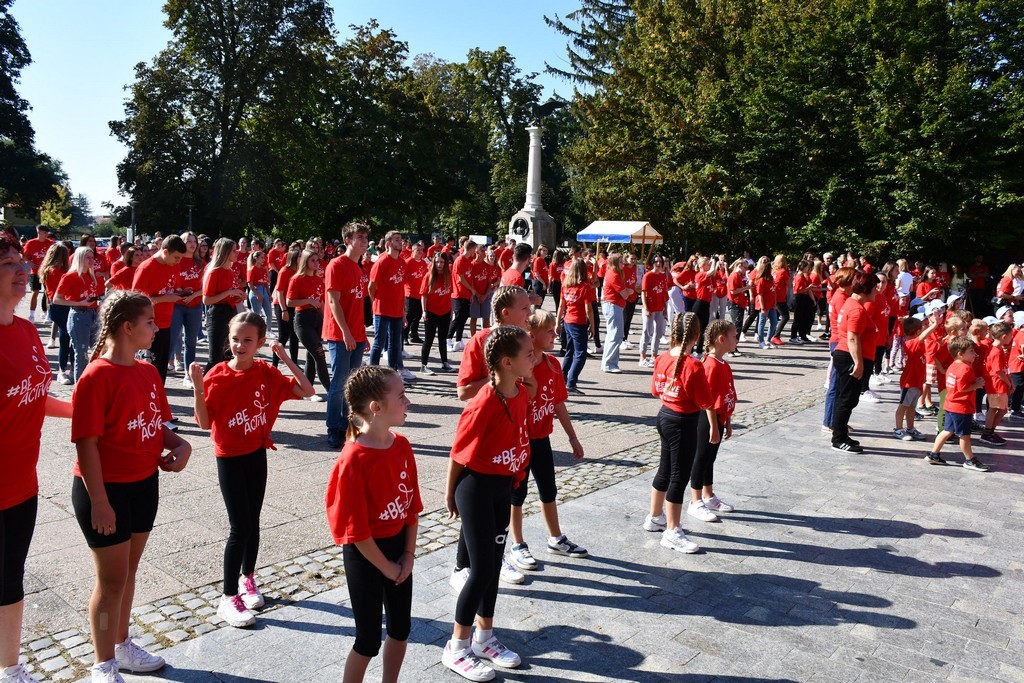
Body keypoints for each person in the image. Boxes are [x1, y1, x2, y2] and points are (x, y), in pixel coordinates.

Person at [71, 291, 192, 683]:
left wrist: (181, 444)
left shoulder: (147, 372)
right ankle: (102, 665)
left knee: (129, 571)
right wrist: (100, 502)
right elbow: (86, 443)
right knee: (110, 582)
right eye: (149, 323)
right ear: (127, 327)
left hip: (144, 483)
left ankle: (121, 645)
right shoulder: (96, 376)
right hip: (105, 491)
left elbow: (154, 423)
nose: (157, 329)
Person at [190, 312, 313, 628]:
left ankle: (248, 579)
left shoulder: (265, 373)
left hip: (257, 453)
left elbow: (307, 390)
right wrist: (197, 388)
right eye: (234, 339)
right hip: (229, 457)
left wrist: (284, 356)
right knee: (239, 527)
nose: (239, 345)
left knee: (254, 522)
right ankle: (227, 596)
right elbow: (204, 423)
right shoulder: (217, 376)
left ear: (260, 343)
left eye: (247, 340)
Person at [0, 230, 73, 683]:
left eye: (21, 262)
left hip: (22, 484)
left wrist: (86, 414)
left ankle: (10, 667)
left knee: (10, 579)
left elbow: (34, 397)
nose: (22, 270)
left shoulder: (27, 329)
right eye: (7, 265)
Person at [442, 325, 533, 682]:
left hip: (500, 487)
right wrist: (450, 494)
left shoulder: (521, 393)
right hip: (475, 488)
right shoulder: (483, 402)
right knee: (479, 570)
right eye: (528, 354)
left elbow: (518, 436)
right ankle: (457, 647)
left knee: (494, 565)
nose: (535, 358)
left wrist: (517, 472)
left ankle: (484, 637)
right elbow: (459, 454)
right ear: (507, 362)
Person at [325, 367, 421, 683]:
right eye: (401, 396)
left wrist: (407, 556)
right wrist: (388, 568)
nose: (408, 402)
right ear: (376, 408)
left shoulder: (403, 446)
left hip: (398, 553)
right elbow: (356, 532)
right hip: (366, 557)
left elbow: (411, 509)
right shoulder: (353, 459)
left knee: (401, 629)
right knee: (367, 642)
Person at [451, 286, 534, 589]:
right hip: (486, 437)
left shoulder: (524, 340)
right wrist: (501, 376)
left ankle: (495, 556)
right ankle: (464, 567)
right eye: (524, 308)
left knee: (505, 501)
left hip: (516, 433)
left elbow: (531, 387)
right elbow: (462, 392)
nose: (530, 314)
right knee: (478, 505)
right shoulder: (480, 341)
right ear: (505, 313)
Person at [507, 310, 587, 573]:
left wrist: (572, 436)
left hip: (542, 439)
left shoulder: (553, 365)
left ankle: (556, 537)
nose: (556, 334)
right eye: (550, 331)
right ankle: (517, 543)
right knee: (517, 494)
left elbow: (558, 402)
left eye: (555, 330)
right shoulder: (521, 369)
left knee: (548, 489)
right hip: (520, 442)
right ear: (532, 334)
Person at [646, 312, 712, 553]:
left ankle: (655, 516)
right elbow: (705, 400)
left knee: (665, 469)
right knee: (679, 476)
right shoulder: (693, 365)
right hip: (683, 421)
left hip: (665, 416)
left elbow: (655, 390)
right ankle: (672, 531)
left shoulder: (663, 358)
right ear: (697, 335)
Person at [324, 223, 371, 449]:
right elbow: (333, 301)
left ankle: (348, 425)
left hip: (357, 334)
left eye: (366, 237)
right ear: (348, 240)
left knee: (352, 384)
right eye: (360, 237)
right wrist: (346, 332)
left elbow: (357, 306)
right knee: (339, 382)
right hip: (340, 335)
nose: (365, 241)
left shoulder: (360, 269)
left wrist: (362, 334)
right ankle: (334, 427)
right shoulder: (337, 265)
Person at [688, 319, 737, 523]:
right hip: (706, 419)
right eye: (734, 336)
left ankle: (709, 496)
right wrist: (713, 426)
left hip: (718, 418)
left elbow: (725, 392)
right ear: (721, 339)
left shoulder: (723, 363)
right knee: (701, 458)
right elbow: (706, 399)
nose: (737, 339)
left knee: (710, 459)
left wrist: (727, 420)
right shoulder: (710, 365)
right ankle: (695, 501)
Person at [925, 338, 990, 470]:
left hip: (950, 405)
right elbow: (962, 388)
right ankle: (969, 460)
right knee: (965, 435)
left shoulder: (953, 366)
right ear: (960, 353)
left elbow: (958, 384)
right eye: (971, 351)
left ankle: (934, 454)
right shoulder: (965, 368)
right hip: (961, 407)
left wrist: (973, 381)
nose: (974, 354)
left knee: (947, 431)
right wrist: (976, 385)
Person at [831, 271, 877, 453]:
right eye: (875, 288)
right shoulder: (856, 308)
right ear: (868, 289)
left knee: (846, 399)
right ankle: (838, 439)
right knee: (846, 400)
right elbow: (852, 338)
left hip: (847, 355)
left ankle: (841, 434)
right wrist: (858, 363)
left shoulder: (851, 303)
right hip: (850, 356)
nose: (877, 292)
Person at [132, 236, 187, 385]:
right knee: (148, 368)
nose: (178, 261)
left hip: (166, 323)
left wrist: (181, 292)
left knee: (161, 369)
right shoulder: (146, 268)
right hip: (148, 326)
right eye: (176, 257)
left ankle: (158, 400)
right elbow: (136, 301)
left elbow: (171, 288)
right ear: (165, 251)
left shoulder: (173, 265)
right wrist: (164, 299)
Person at [54, 247, 104, 383]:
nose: (92, 260)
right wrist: (79, 302)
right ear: (80, 258)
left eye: (92, 257)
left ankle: (94, 382)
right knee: (81, 354)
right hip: (78, 315)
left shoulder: (90, 275)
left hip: (93, 314)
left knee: (98, 351)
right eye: (88, 257)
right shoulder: (70, 276)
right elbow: (56, 299)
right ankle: (80, 387)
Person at [287, 250, 332, 401]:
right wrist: (308, 301)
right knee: (319, 354)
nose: (316, 263)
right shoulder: (296, 279)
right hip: (302, 320)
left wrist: (326, 321)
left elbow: (321, 304)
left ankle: (307, 390)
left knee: (311, 356)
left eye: (317, 261)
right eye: (312, 260)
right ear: (305, 261)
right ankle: (331, 391)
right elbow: (290, 302)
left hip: (316, 319)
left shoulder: (319, 280)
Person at [369, 231, 413, 381]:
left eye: (400, 239)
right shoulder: (382, 261)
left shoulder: (401, 262)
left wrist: (403, 311)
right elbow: (371, 287)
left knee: (395, 345)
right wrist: (376, 302)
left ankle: (393, 375)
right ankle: (372, 375)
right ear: (388, 243)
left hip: (396, 310)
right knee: (379, 343)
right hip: (382, 309)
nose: (400, 242)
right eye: (396, 240)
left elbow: (400, 287)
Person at [202, 238, 244, 373]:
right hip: (217, 314)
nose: (237, 252)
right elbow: (206, 300)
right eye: (233, 250)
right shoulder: (214, 272)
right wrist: (229, 292)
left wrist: (239, 296)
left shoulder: (231, 272)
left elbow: (233, 296)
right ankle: (203, 388)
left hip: (230, 313)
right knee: (215, 358)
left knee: (227, 355)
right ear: (225, 252)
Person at [892, 314, 937, 441]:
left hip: (916, 381)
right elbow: (923, 337)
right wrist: (934, 325)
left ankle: (910, 428)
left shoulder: (917, 343)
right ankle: (898, 429)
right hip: (909, 382)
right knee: (903, 405)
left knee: (912, 407)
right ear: (918, 332)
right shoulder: (910, 343)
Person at [556, 259, 595, 395]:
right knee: (580, 354)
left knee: (570, 351)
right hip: (578, 322)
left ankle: (561, 378)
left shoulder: (565, 285)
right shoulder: (584, 287)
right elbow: (588, 308)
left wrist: (557, 323)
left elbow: (561, 306)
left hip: (567, 321)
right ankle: (571, 383)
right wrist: (593, 326)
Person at [170, 232, 204, 388]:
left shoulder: (201, 262)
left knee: (191, 342)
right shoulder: (176, 261)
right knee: (172, 338)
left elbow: (206, 287)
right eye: (188, 241)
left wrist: (194, 295)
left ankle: (188, 375)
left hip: (195, 305)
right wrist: (180, 293)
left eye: (194, 241)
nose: (192, 244)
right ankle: (164, 367)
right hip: (177, 304)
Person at [39, 243, 72, 384]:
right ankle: (62, 370)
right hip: (60, 307)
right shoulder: (55, 271)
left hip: (59, 306)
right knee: (66, 339)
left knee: (68, 339)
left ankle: (66, 369)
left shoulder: (52, 270)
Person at [419, 249, 454, 375]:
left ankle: (445, 362)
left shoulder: (448, 276)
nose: (439, 264)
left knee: (442, 339)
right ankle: (423, 365)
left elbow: (449, 294)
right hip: (431, 312)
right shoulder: (428, 276)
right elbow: (424, 295)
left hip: (445, 312)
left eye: (442, 262)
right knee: (429, 339)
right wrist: (424, 311)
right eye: (437, 262)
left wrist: (451, 310)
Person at [600, 253, 633, 373]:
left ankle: (607, 363)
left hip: (612, 305)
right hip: (613, 305)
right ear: (614, 262)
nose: (622, 264)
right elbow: (624, 294)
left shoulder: (612, 273)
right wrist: (629, 291)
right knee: (616, 335)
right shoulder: (614, 275)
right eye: (620, 262)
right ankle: (610, 364)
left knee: (611, 335)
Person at [980, 322, 1012, 445]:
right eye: (1010, 336)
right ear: (1004, 337)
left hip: (998, 384)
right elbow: (998, 371)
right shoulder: (996, 352)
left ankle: (990, 431)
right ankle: (988, 432)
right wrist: (1008, 383)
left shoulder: (995, 349)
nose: (1011, 338)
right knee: (995, 408)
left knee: (1001, 408)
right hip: (996, 384)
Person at [271, 249, 301, 370]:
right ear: (294, 258)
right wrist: (284, 310)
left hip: (294, 305)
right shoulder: (285, 271)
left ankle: (294, 363)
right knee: (283, 336)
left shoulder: (300, 271)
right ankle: (274, 365)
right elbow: (279, 292)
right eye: (299, 256)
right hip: (282, 304)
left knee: (295, 336)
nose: (301, 258)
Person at [448, 239, 479, 352]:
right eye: (474, 249)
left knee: (464, 318)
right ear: (470, 249)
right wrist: (471, 289)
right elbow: (461, 278)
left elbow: (469, 278)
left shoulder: (468, 261)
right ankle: (448, 339)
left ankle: (458, 341)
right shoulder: (460, 260)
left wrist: (471, 293)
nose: (475, 252)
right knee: (458, 317)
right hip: (458, 294)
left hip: (466, 294)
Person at [640, 254, 669, 367]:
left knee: (659, 332)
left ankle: (654, 354)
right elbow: (643, 292)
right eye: (656, 262)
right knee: (647, 331)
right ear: (653, 263)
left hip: (660, 307)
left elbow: (663, 292)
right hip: (650, 307)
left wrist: (665, 307)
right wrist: (646, 308)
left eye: (660, 262)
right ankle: (642, 356)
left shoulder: (662, 276)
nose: (658, 264)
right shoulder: (648, 276)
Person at [22, 225, 54, 323]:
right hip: (35, 272)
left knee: (48, 292)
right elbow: (24, 256)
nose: (46, 235)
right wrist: (29, 262)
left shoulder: (51, 243)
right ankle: (31, 315)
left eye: (47, 233)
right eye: (44, 233)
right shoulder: (31, 243)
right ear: (38, 232)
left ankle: (48, 314)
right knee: (35, 292)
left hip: (47, 271)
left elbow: (55, 256)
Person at [403, 241, 428, 346]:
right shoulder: (408, 262)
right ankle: (404, 336)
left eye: (421, 250)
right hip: (410, 293)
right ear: (412, 251)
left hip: (420, 294)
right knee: (409, 316)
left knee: (417, 316)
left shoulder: (423, 263)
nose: (420, 252)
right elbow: (403, 278)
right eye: (418, 250)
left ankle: (414, 335)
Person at [751, 257, 778, 349]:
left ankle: (768, 339)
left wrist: (774, 304)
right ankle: (761, 341)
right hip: (764, 305)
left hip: (771, 304)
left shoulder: (771, 279)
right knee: (762, 323)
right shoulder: (761, 280)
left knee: (774, 321)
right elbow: (760, 295)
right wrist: (762, 308)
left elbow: (774, 292)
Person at [726, 259, 751, 346]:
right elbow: (733, 291)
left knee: (738, 326)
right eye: (745, 267)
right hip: (735, 303)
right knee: (736, 326)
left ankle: (734, 347)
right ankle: (732, 348)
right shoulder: (734, 276)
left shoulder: (739, 276)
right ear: (739, 266)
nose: (746, 269)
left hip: (739, 303)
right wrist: (746, 287)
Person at [246, 250, 272, 322]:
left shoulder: (263, 269)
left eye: (264, 258)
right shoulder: (252, 269)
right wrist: (257, 294)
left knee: (269, 313)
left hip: (264, 290)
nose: (264, 259)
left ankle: (269, 330)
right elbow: (250, 284)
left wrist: (269, 294)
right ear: (256, 258)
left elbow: (265, 283)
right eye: (262, 257)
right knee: (256, 315)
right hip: (256, 289)